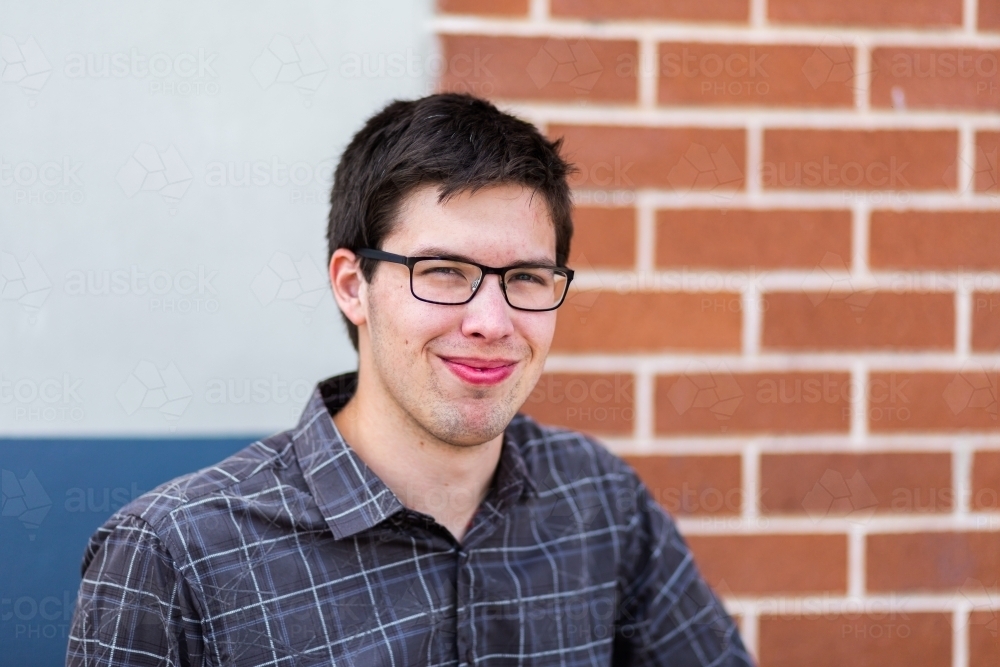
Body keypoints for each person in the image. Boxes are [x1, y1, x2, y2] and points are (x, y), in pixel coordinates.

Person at [67, 93, 753, 666]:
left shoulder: (599, 504)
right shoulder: (176, 556)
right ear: (352, 286)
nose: (492, 319)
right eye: (443, 271)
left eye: (526, 278)